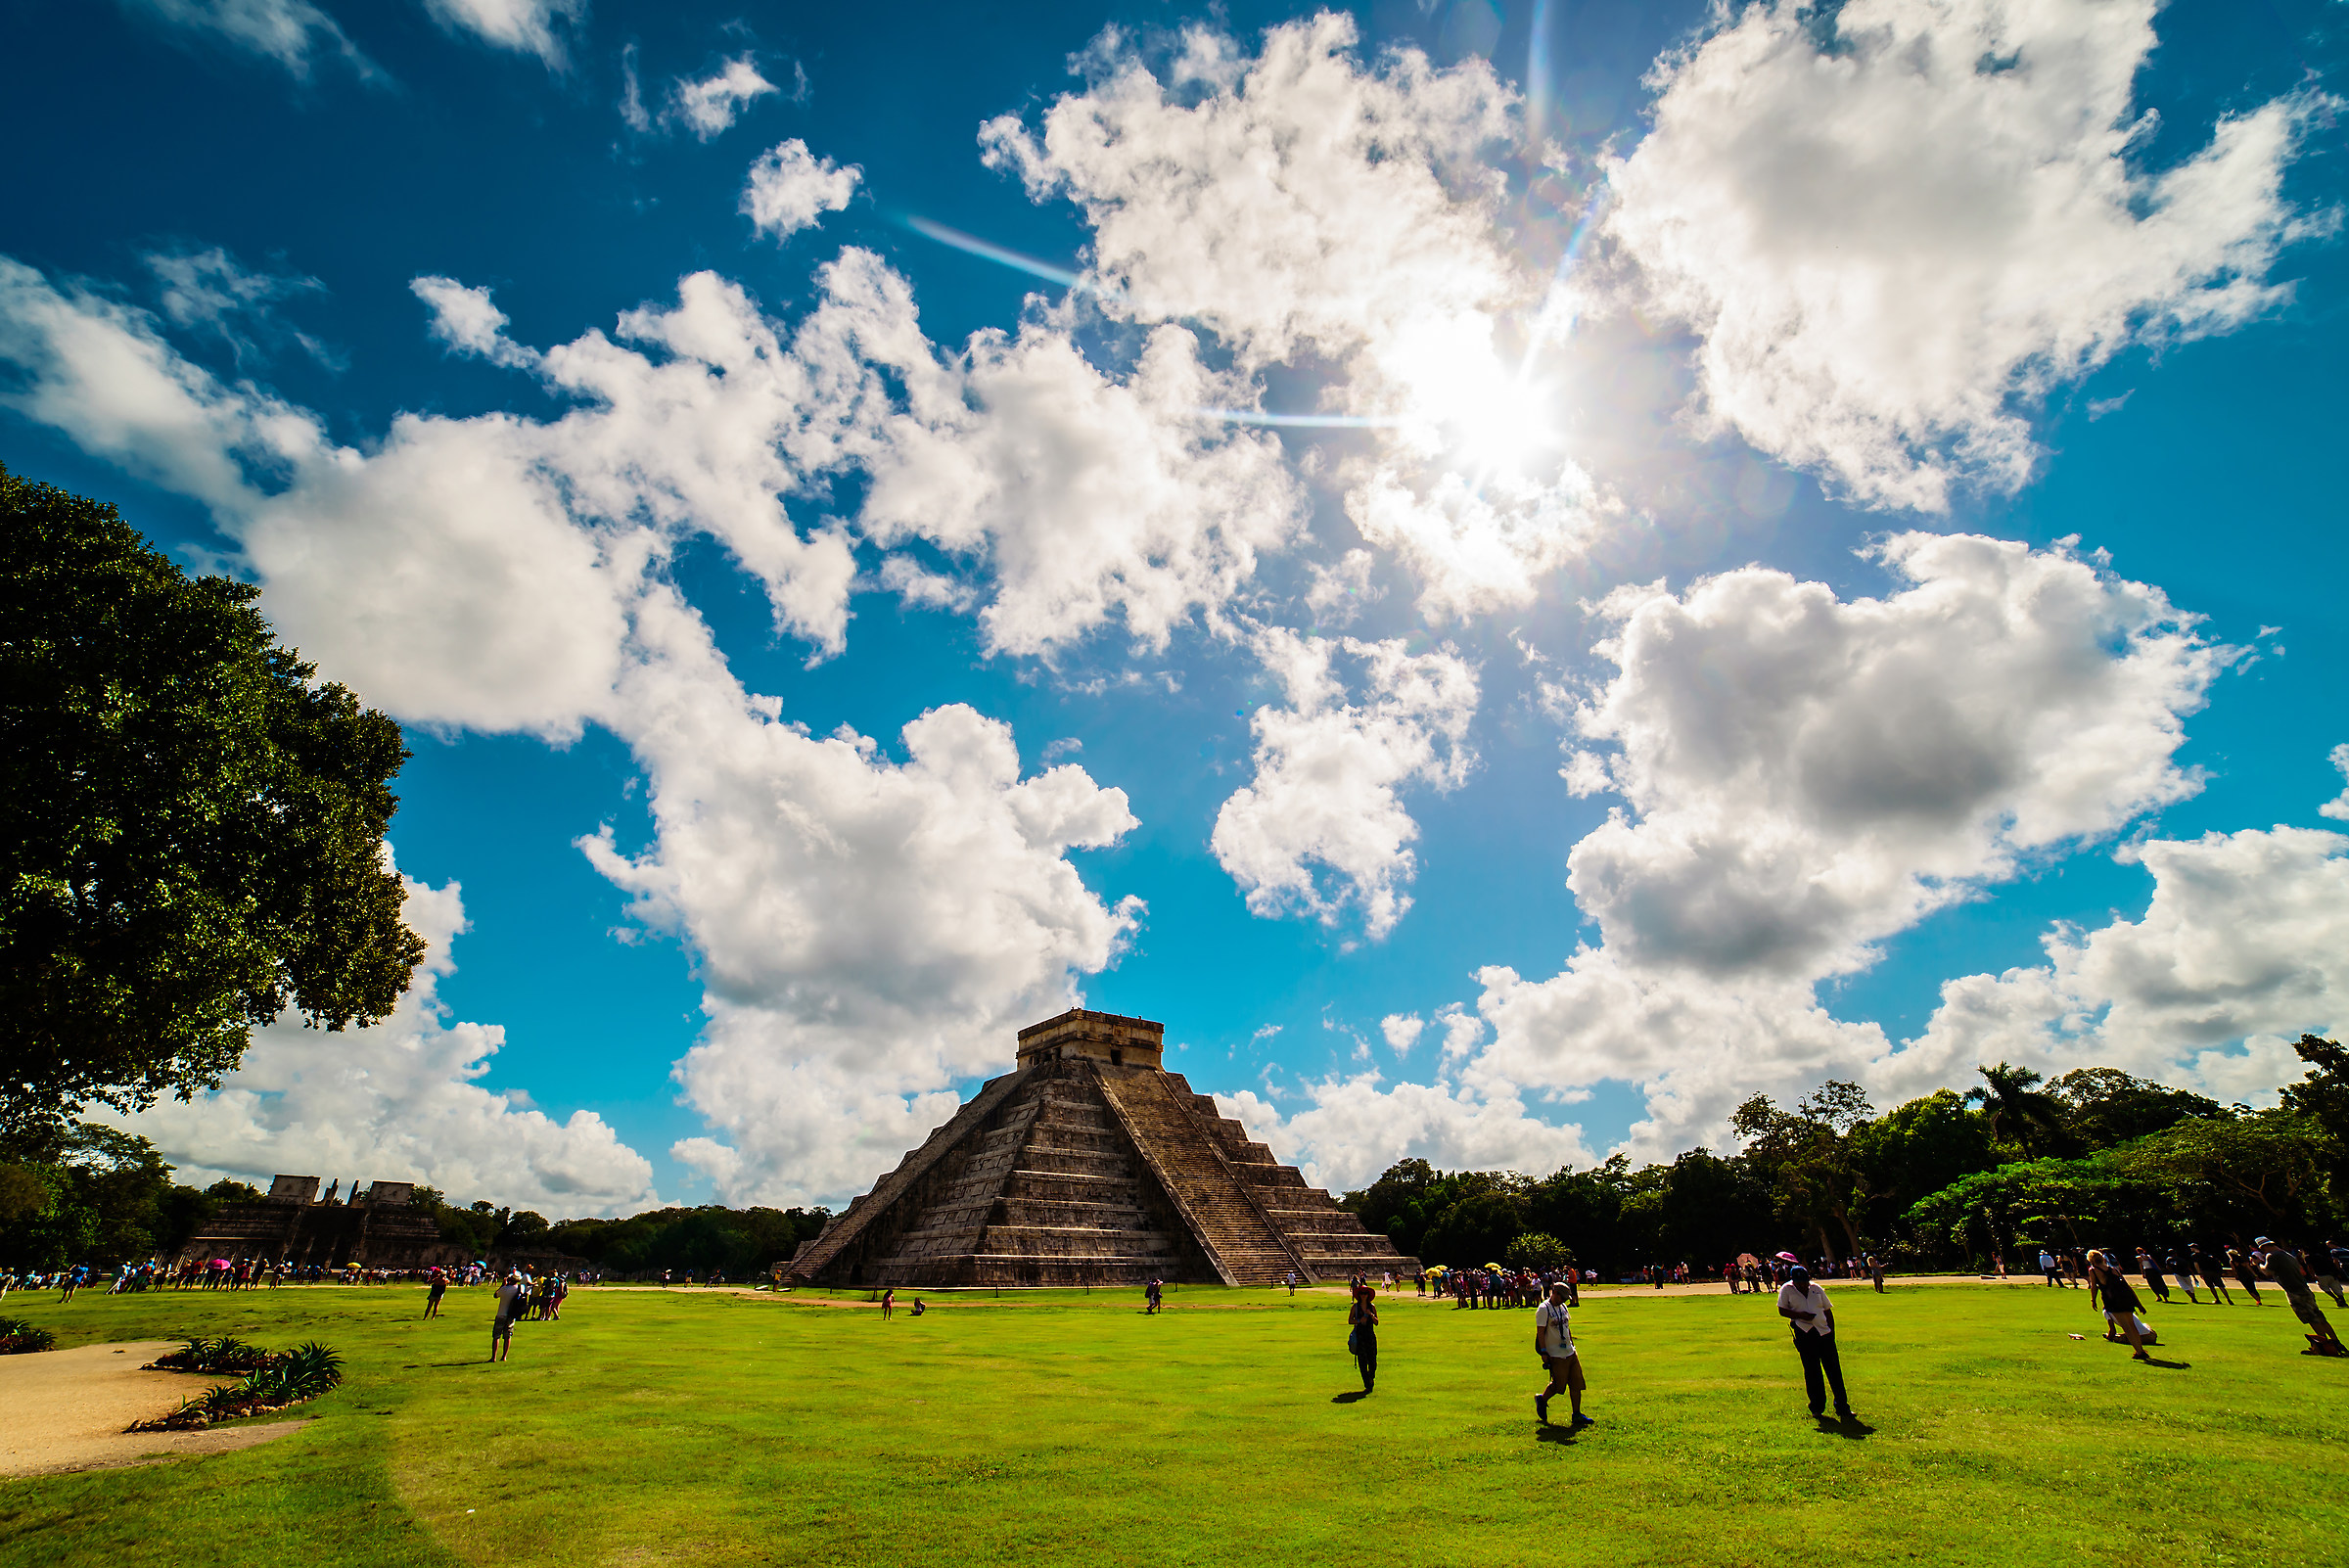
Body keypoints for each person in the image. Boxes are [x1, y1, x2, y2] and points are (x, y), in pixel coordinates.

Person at [1777, 1265, 1854, 1421]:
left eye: (1805, 1282)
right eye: (1799, 1283)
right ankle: (1817, 1407)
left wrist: (1831, 1332)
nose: (1803, 1285)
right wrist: (1800, 1315)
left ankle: (1842, 1406)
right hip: (1804, 1333)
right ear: (1793, 1281)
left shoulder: (1816, 1289)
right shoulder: (1787, 1290)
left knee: (1834, 1371)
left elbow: (1827, 1310)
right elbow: (1782, 1310)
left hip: (1823, 1332)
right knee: (1812, 1372)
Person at [2254, 1238, 2345, 1356]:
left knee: (2311, 1319)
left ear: (2262, 1247)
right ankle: (2335, 1342)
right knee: (2319, 1316)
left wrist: (2258, 1264)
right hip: (2304, 1289)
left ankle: (2324, 1346)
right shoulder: (2286, 1254)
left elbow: (2267, 1272)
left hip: (2294, 1291)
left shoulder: (2272, 1256)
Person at [1533, 1280, 1592, 1428]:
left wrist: (1572, 1344)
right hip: (1555, 1353)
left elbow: (1566, 1327)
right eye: (1563, 1297)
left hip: (1569, 1351)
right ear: (1555, 1293)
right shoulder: (1543, 1309)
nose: (1565, 1300)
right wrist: (1544, 1352)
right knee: (1559, 1386)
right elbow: (1540, 1332)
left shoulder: (1563, 1307)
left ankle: (1576, 1414)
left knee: (1576, 1383)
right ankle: (1542, 1399)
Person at [2085, 1250, 2153, 1361]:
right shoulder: (2113, 1269)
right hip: (2126, 1298)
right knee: (2132, 1325)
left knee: (2126, 1327)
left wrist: (2093, 1300)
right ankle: (2140, 1349)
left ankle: (2139, 1352)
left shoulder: (2093, 1270)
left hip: (2112, 1300)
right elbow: (2127, 1286)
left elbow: (2094, 1287)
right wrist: (2138, 1304)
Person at [1348, 1284, 1379, 1395]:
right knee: (1362, 1362)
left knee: (1372, 1361)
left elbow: (1377, 1322)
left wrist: (1371, 1315)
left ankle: (1371, 1377)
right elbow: (1350, 1321)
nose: (1363, 1295)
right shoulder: (1355, 1307)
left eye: (1365, 1293)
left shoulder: (1372, 1307)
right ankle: (1367, 1384)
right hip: (1360, 1336)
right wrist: (1359, 1321)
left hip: (1370, 1336)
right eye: (1362, 1293)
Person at [490, 1271, 525, 1362]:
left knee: (496, 1336)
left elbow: (495, 1295)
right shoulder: (520, 1289)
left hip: (501, 1314)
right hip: (511, 1314)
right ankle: (504, 1356)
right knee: (507, 1336)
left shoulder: (504, 1289)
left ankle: (494, 1357)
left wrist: (502, 1285)